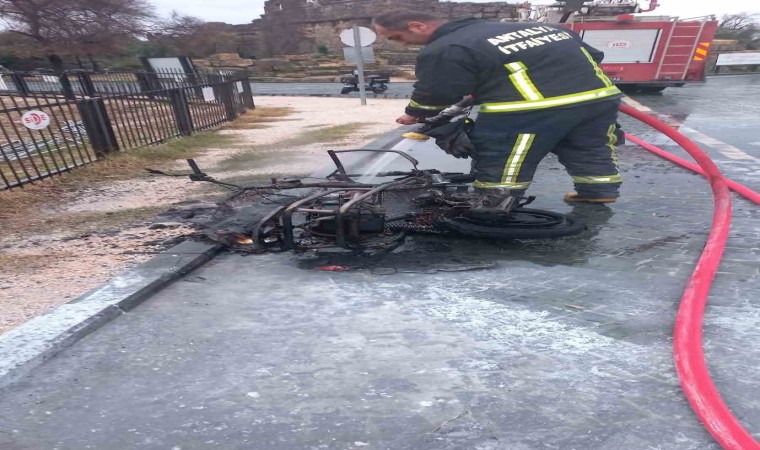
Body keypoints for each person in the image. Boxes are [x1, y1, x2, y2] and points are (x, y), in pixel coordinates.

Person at [372, 10, 624, 203]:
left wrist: (415, 114)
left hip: (528, 110)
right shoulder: (543, 28)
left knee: (506, 156)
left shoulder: (448, 46)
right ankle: (598, 192)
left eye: (397, 38)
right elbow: (594, 56)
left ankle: (494, 203)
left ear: (417, 26)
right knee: (589, 146)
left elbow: (438, 91)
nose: (401, 44)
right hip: (599, 100)